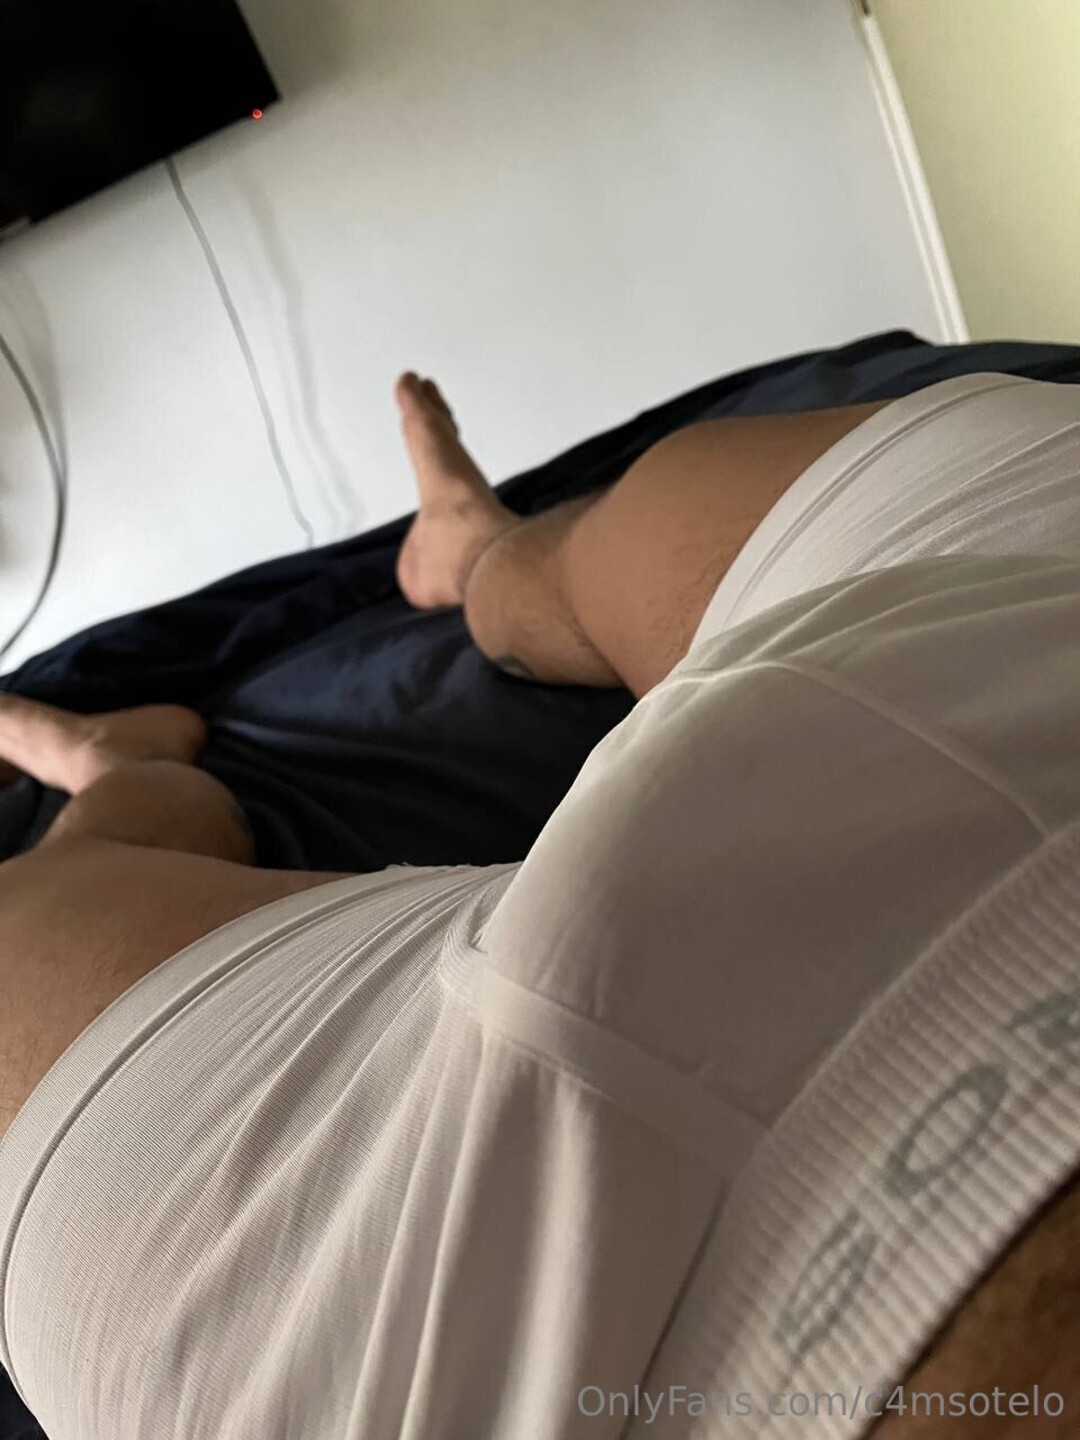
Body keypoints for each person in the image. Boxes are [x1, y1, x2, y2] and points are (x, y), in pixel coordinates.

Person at [0, 368, 1079, 1437]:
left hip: (425, 1348)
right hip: (1021, 668)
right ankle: (483, 554)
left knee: (31, 912)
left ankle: (111, 772)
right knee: (641, 523)